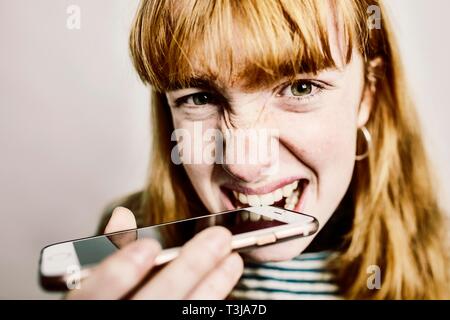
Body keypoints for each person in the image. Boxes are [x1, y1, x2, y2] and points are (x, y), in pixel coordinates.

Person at [67, 0, 450, 299]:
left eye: (301, 88)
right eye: (200, 97)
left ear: (368, 95)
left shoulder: (444, 255)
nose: (243, 165)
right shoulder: (132, 247)